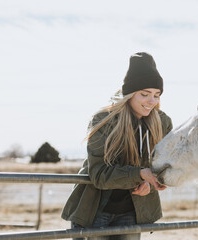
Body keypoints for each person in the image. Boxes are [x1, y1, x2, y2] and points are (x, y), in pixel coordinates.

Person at [61, 52, 173, 240]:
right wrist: (139, 174)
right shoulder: (104, 121)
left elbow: (164, 165)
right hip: (94, 210)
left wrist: (149, 182)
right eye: (144, 94)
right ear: (129, 93)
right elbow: (98, 173)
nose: (151, 102)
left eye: (156, 95)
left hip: (132, 211)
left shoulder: (162, 123)